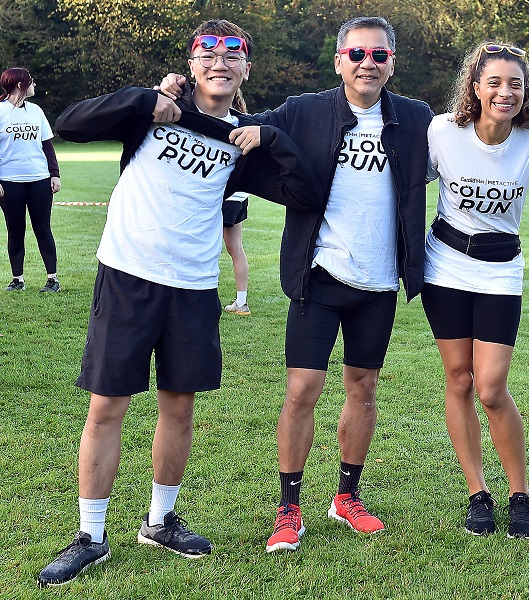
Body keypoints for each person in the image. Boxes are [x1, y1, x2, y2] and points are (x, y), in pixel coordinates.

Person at [37, 20, 316, 587]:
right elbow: (70, 123)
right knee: (107, 406)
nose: (220, 61)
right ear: (191, 65)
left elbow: (305, 191)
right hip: (128, 275)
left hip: (193, 287)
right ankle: (91, 535)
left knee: (179, 406)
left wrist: (273, 139)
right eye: (207, 52)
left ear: (245, 69)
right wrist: (147, 100)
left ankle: (159, 521)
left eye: (232, 53)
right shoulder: (154, 110)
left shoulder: (242, 138)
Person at [158, 15, 432, 551]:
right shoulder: (305, 111)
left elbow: (475, 139)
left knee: (364, 388)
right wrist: (175, 96)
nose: (367, 64)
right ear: (339, 61)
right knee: (302, 390)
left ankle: (346, 498)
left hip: (378, 281)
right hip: (319, 274)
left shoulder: (418, 119)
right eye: (357, 54)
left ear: (391, 63)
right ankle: (289, 509)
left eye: (378, 55)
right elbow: (228, 123)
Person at [421, 42, 529, 539]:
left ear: (526, 93)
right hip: (445, 266)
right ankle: (477, 493)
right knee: (459, 380)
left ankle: (519, 494)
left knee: (491, 387)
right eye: (496, 83)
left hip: (501, 269)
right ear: (476, 87)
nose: (506, 92)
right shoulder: (443, 131)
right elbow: (402, 179)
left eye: (516, 84)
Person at [0, 68, 62, 293]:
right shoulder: (0, 112)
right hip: (9, 182)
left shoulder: (36, 111)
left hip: (39, 180)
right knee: (15, 231)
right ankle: (18, 280)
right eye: (31, 81)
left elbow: (47, 145)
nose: (34, 84)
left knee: (43, 229)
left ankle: (52, 279)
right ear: (19, 85)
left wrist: (54, 173)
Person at [222, 191, 251, 315]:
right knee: (236, 248)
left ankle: (197, 296)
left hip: (223, 195)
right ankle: (241, 303)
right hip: (240, 196)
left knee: (203, 246)